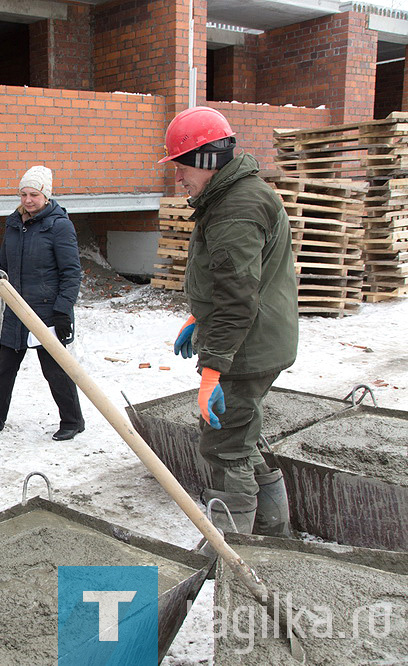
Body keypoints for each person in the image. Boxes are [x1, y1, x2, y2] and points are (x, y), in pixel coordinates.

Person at [160, 106, 298, 542]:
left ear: (204, 159)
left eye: (181, 167)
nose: (179, 178)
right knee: (243, 434)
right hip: (255, 342)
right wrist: (197, 314)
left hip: (246, 348)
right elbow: (230, 280)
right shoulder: (233, 196)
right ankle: (274, 533)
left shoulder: (236, 208)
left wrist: (213, 368)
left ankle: (232, 550)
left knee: (225, 447)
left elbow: (239, 299)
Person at [0, 165, 84, 441]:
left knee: (55, 370)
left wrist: (63, 311)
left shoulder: (59, 226)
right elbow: (3, 266)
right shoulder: (14, 223)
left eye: (34, 194)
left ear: (46, 196)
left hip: (47, 311)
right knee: (4, 369)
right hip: (16, 310)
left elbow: (71, 273)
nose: (27, 200)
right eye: (23, 194)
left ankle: (72, 421)